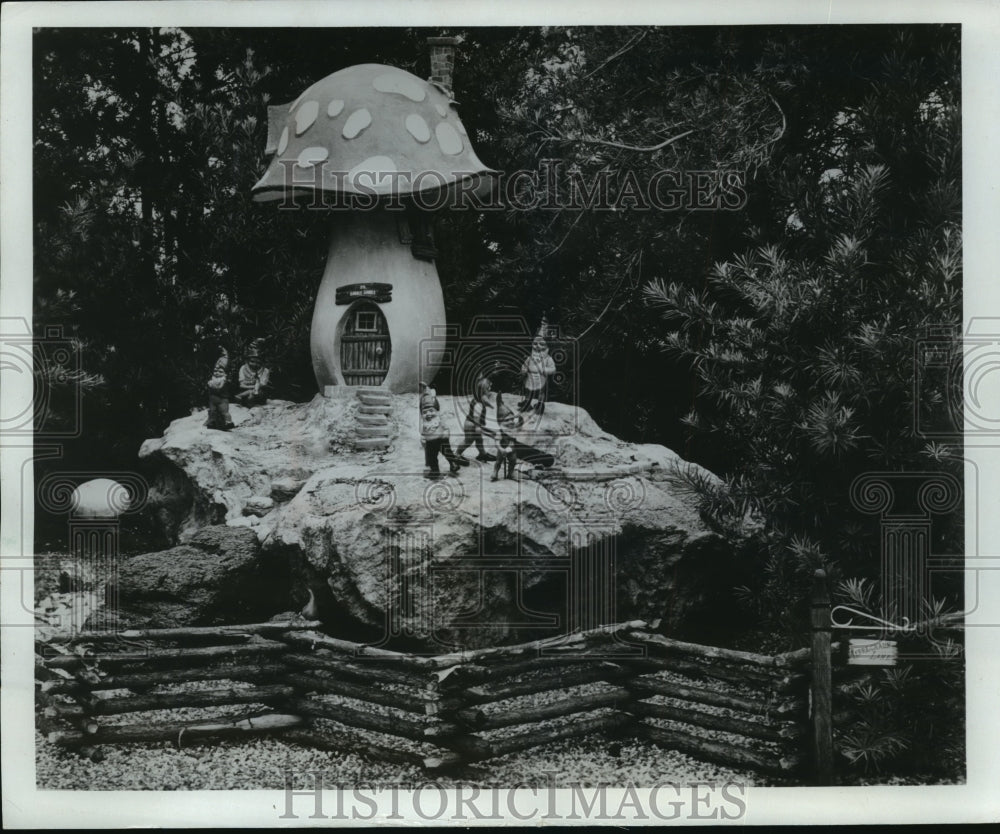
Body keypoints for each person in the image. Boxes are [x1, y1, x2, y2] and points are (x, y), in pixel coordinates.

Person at [518, 335, 556, 415]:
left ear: (547, 346)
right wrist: (524, 370)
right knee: (528, 391)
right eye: (535, 344)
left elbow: (553, 369)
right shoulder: (530, 358)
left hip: (541, 379)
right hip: (529, 378)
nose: (538, 346)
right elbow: (525, 365)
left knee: (541, 393)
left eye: (541, 344)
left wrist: (544, 370)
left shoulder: (548, 359)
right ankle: (527, 403)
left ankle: (540, 405)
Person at [420, 405, 460, 477]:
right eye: (424, 412)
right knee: (432, 458)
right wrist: (423, 438)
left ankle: (453, 464)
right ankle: (435, 471)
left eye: (431, 411)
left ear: (437, 412)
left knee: (448, 453)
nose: (428, 414)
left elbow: (446, 428)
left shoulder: (439, 420)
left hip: (442, 441)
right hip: (430, 443)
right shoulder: (424, 423)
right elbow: (423, 433)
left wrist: (446, 433)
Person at [205, 347, 235, 431]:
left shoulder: (223, 380)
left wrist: (211, 385)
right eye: (215, 371)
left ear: (225, 373)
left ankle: (228, 422)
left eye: (220, 372)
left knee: (225, 412)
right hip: (213, 399)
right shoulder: (213, 379)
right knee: (212, 411)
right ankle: (212, 422)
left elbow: (219, 387)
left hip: (222, 400)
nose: (217, 373)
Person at [234, 340, 270, 407]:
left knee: (252, 395)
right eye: (252, 361)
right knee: (250, 396)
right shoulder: (243, 368)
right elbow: (241, 385)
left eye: (258, 363)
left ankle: (244, 398)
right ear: (247, 360)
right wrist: (253, 387)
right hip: (245, 391)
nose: (255, 364)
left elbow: (262, 385)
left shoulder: (265, 371)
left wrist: (253, 387)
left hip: (259, 393)